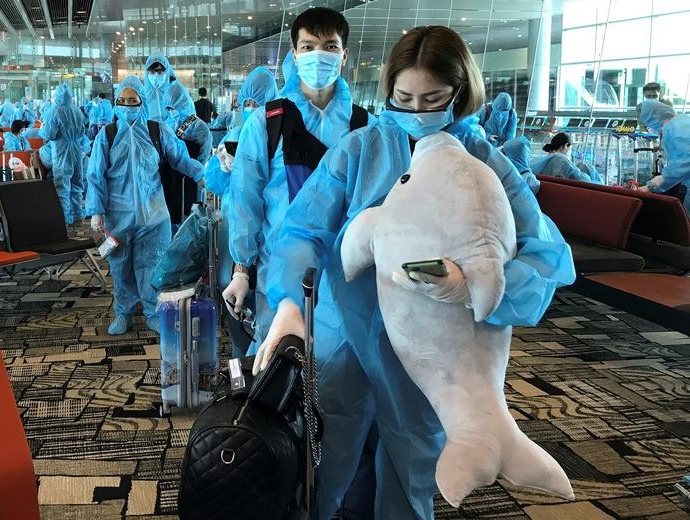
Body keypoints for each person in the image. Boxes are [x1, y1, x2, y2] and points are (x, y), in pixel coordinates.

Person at [254, 26, 575, 518]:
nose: (417, 112)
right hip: (348, 331)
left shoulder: (483, 161)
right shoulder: (359, 150)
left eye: (432, 99)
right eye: (404, 99)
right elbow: (302, 230)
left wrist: (479, 290)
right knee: (323, 457)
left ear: (459, 93)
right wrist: (290, 303)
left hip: (439, 347)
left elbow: (545, 255)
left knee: (412, 468)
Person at [224, 7, 374, 356]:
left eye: (330, 46)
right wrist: (242, 270)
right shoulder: (267, 122)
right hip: (280, 275)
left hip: (347, 278)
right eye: (308, 47)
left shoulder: (366, 127)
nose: (318, 55)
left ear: (344, 55)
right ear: (294, 54)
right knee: (279, 365)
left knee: (343, 372)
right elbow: (246, 199)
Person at [86, 76, 204, 335]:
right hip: (118, 214)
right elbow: (95, 175)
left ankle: (153, 312)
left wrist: (202, 175)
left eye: (133, 100)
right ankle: (123, 313)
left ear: (142, 101)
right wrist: (96, 211)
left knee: (153, 265)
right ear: (116, 103)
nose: (127, 105)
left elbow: (180, 158)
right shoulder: (107, 135)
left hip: (153, 214)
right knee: (121, 267)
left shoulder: (157, 131)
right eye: (122, 100)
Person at [205, 66, 278, 358]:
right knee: (233, 289)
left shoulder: (279, 136)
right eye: (247, 103)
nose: (251, 109)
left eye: (258, 103)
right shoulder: (233, 136)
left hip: (271, 230)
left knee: (270, 294)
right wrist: (224, 168)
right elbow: (213, 182)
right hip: (235, 227)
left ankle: (265, 354)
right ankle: (240, 351)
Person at [41, 83, 87, 225]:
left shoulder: (54, 111)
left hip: (61, 150)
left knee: (62, 185)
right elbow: (82, 131)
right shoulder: (77, 110)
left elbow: (49, 134)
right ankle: (78, 215)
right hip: (76, 148)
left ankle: (65, 219)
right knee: (76, 183)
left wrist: (42, 131)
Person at [638, 99, 690, 214]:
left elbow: (681, 165)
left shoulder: (673, 129)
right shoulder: (682, 121)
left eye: (647, 125)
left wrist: (651, 186)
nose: (648, 129)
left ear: (653, 119)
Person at [530, 132, 601, 183]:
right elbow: (583, 180)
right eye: (570, 149)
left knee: (582, 166)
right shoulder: (561, 161)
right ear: (566, 146)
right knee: (587, 167)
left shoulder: (541, 161)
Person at [141, 51, 175, 125]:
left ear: (167, 72)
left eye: (160, 71)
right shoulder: (142, 97)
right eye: (152, 72)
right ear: (147, 73)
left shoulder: (176, 95)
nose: (156, 75)